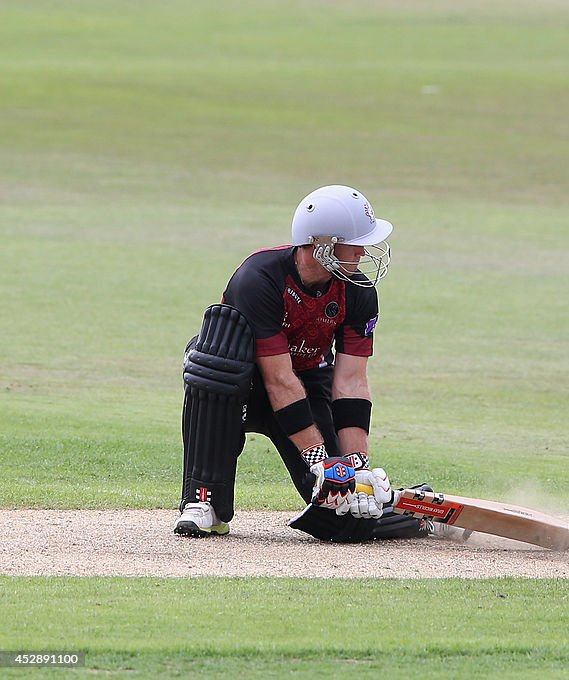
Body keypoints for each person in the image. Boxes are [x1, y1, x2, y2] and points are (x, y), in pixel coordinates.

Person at [173, 185, 429, 542]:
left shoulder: (358, 291)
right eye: (354, 243)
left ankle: (418, 517)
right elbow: (277, 379)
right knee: (214, 362)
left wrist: (355, 468)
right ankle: (205, 503)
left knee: (343, 506)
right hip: (243, 385)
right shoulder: (259, 278)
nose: (363, 251)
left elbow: (351, 383)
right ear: (322, 244)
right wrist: (320, 459)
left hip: (307, 384)